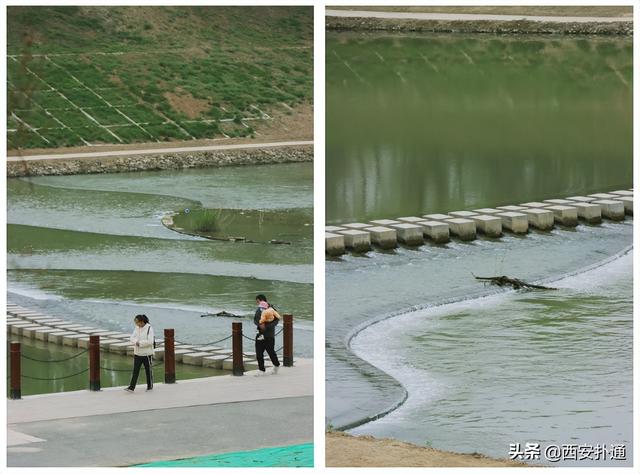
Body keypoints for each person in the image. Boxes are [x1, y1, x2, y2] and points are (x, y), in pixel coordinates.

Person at [125, 314, 154, 392]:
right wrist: (136, 342)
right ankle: (131, 387)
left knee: (148, 371)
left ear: (142, 322)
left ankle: (150, 386)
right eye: (136, 322)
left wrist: (140, 343)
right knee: (135, 371)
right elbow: (132, 338)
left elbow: (150, 341)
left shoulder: (149, 328)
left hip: (147, 354)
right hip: (137, 353)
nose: (136, 324)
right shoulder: (136, 328)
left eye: (137, 322)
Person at [254, 294, 281, 376]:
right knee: (258, 353)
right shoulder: (258, 309)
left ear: (261, 300)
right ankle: (261, 369)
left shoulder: (271, 309)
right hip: (259, 334)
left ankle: (276, 365)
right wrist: (259, 325)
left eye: (258, 301)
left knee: (271, 352)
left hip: (269, 334)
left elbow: (276, 320)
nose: (257, 303)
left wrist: (266, 326)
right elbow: (255, 319)